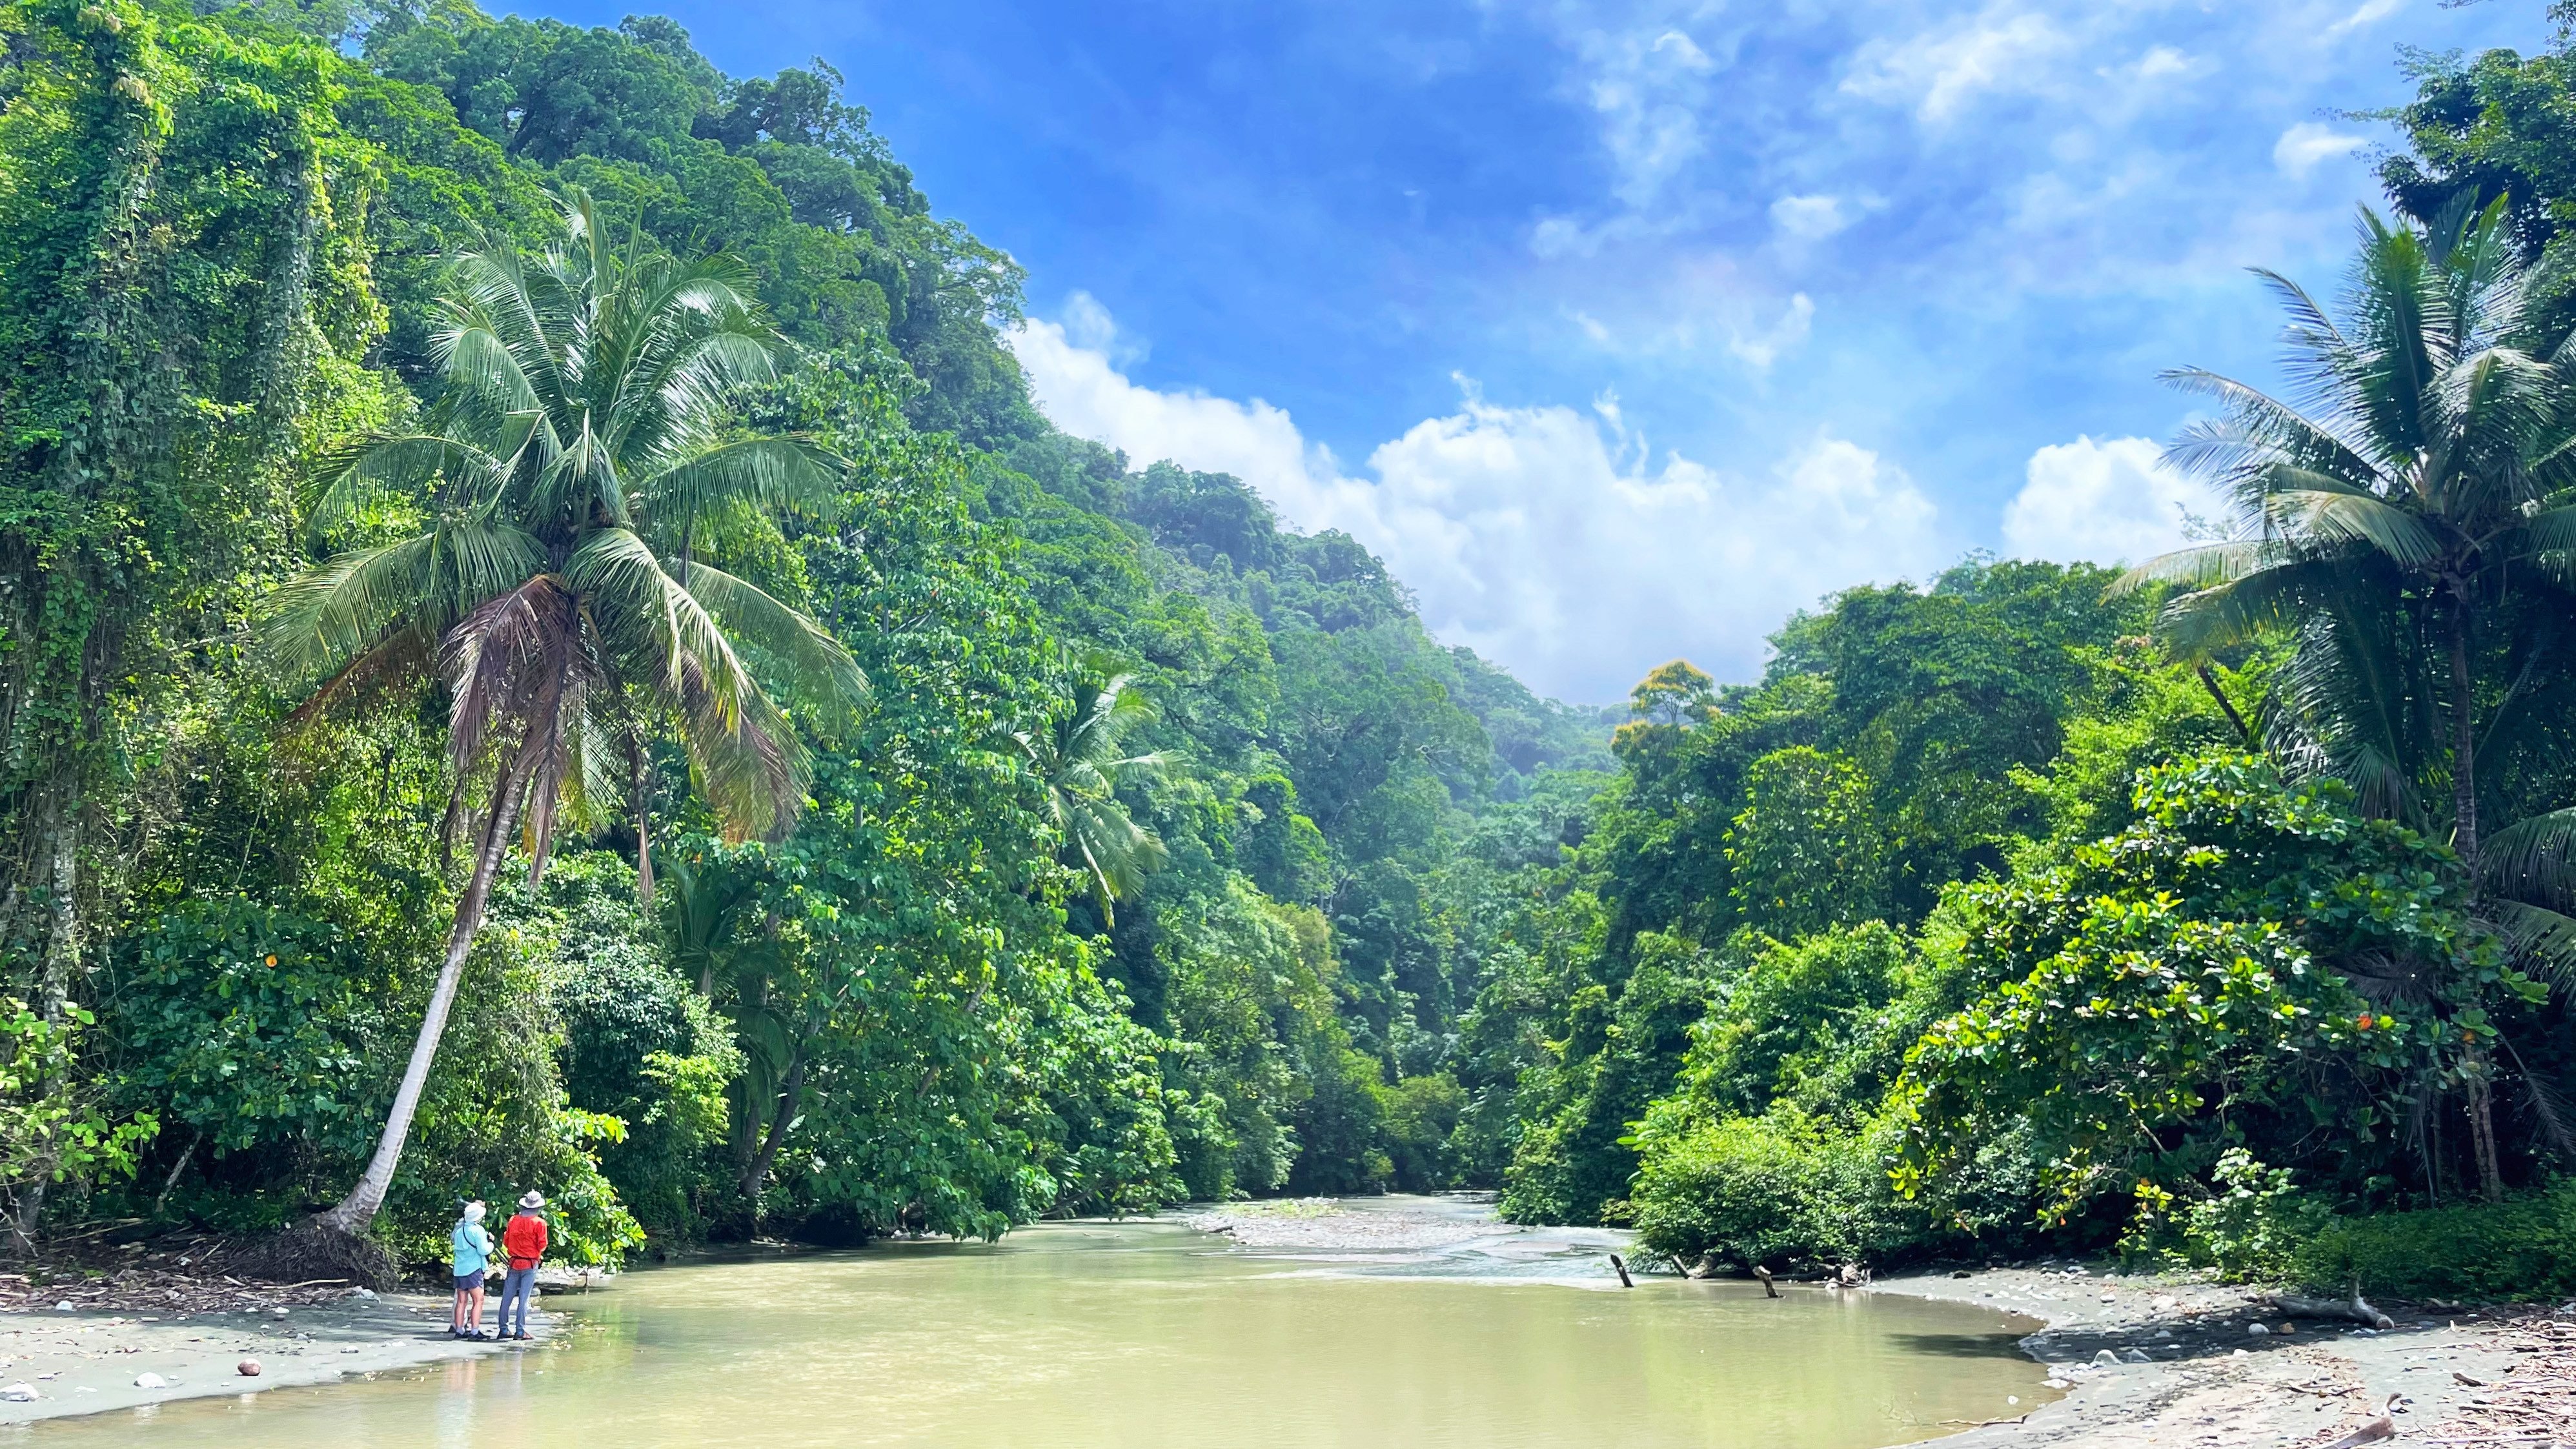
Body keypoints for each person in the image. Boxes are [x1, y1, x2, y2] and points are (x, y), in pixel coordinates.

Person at [496, 1191, 549, 1341]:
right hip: (530, 1264)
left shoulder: (513, 1220)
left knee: (507, 1297)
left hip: (513, 1262)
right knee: (524, 1299)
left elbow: (506, 1242)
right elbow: (542, 1245)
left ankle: (503, 1329)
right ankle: (520, 1331)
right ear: (538, 1207)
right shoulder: (540, 1223)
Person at [450, 1200, 494, 1340]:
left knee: (461, 1301)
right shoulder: (478, 1230)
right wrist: (491, 1244)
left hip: (459, 1270)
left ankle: (459, 1330)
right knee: (478, 1300)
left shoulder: (459, 1231)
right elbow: (483, 1250)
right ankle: (475, 1331)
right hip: (474, 1269)